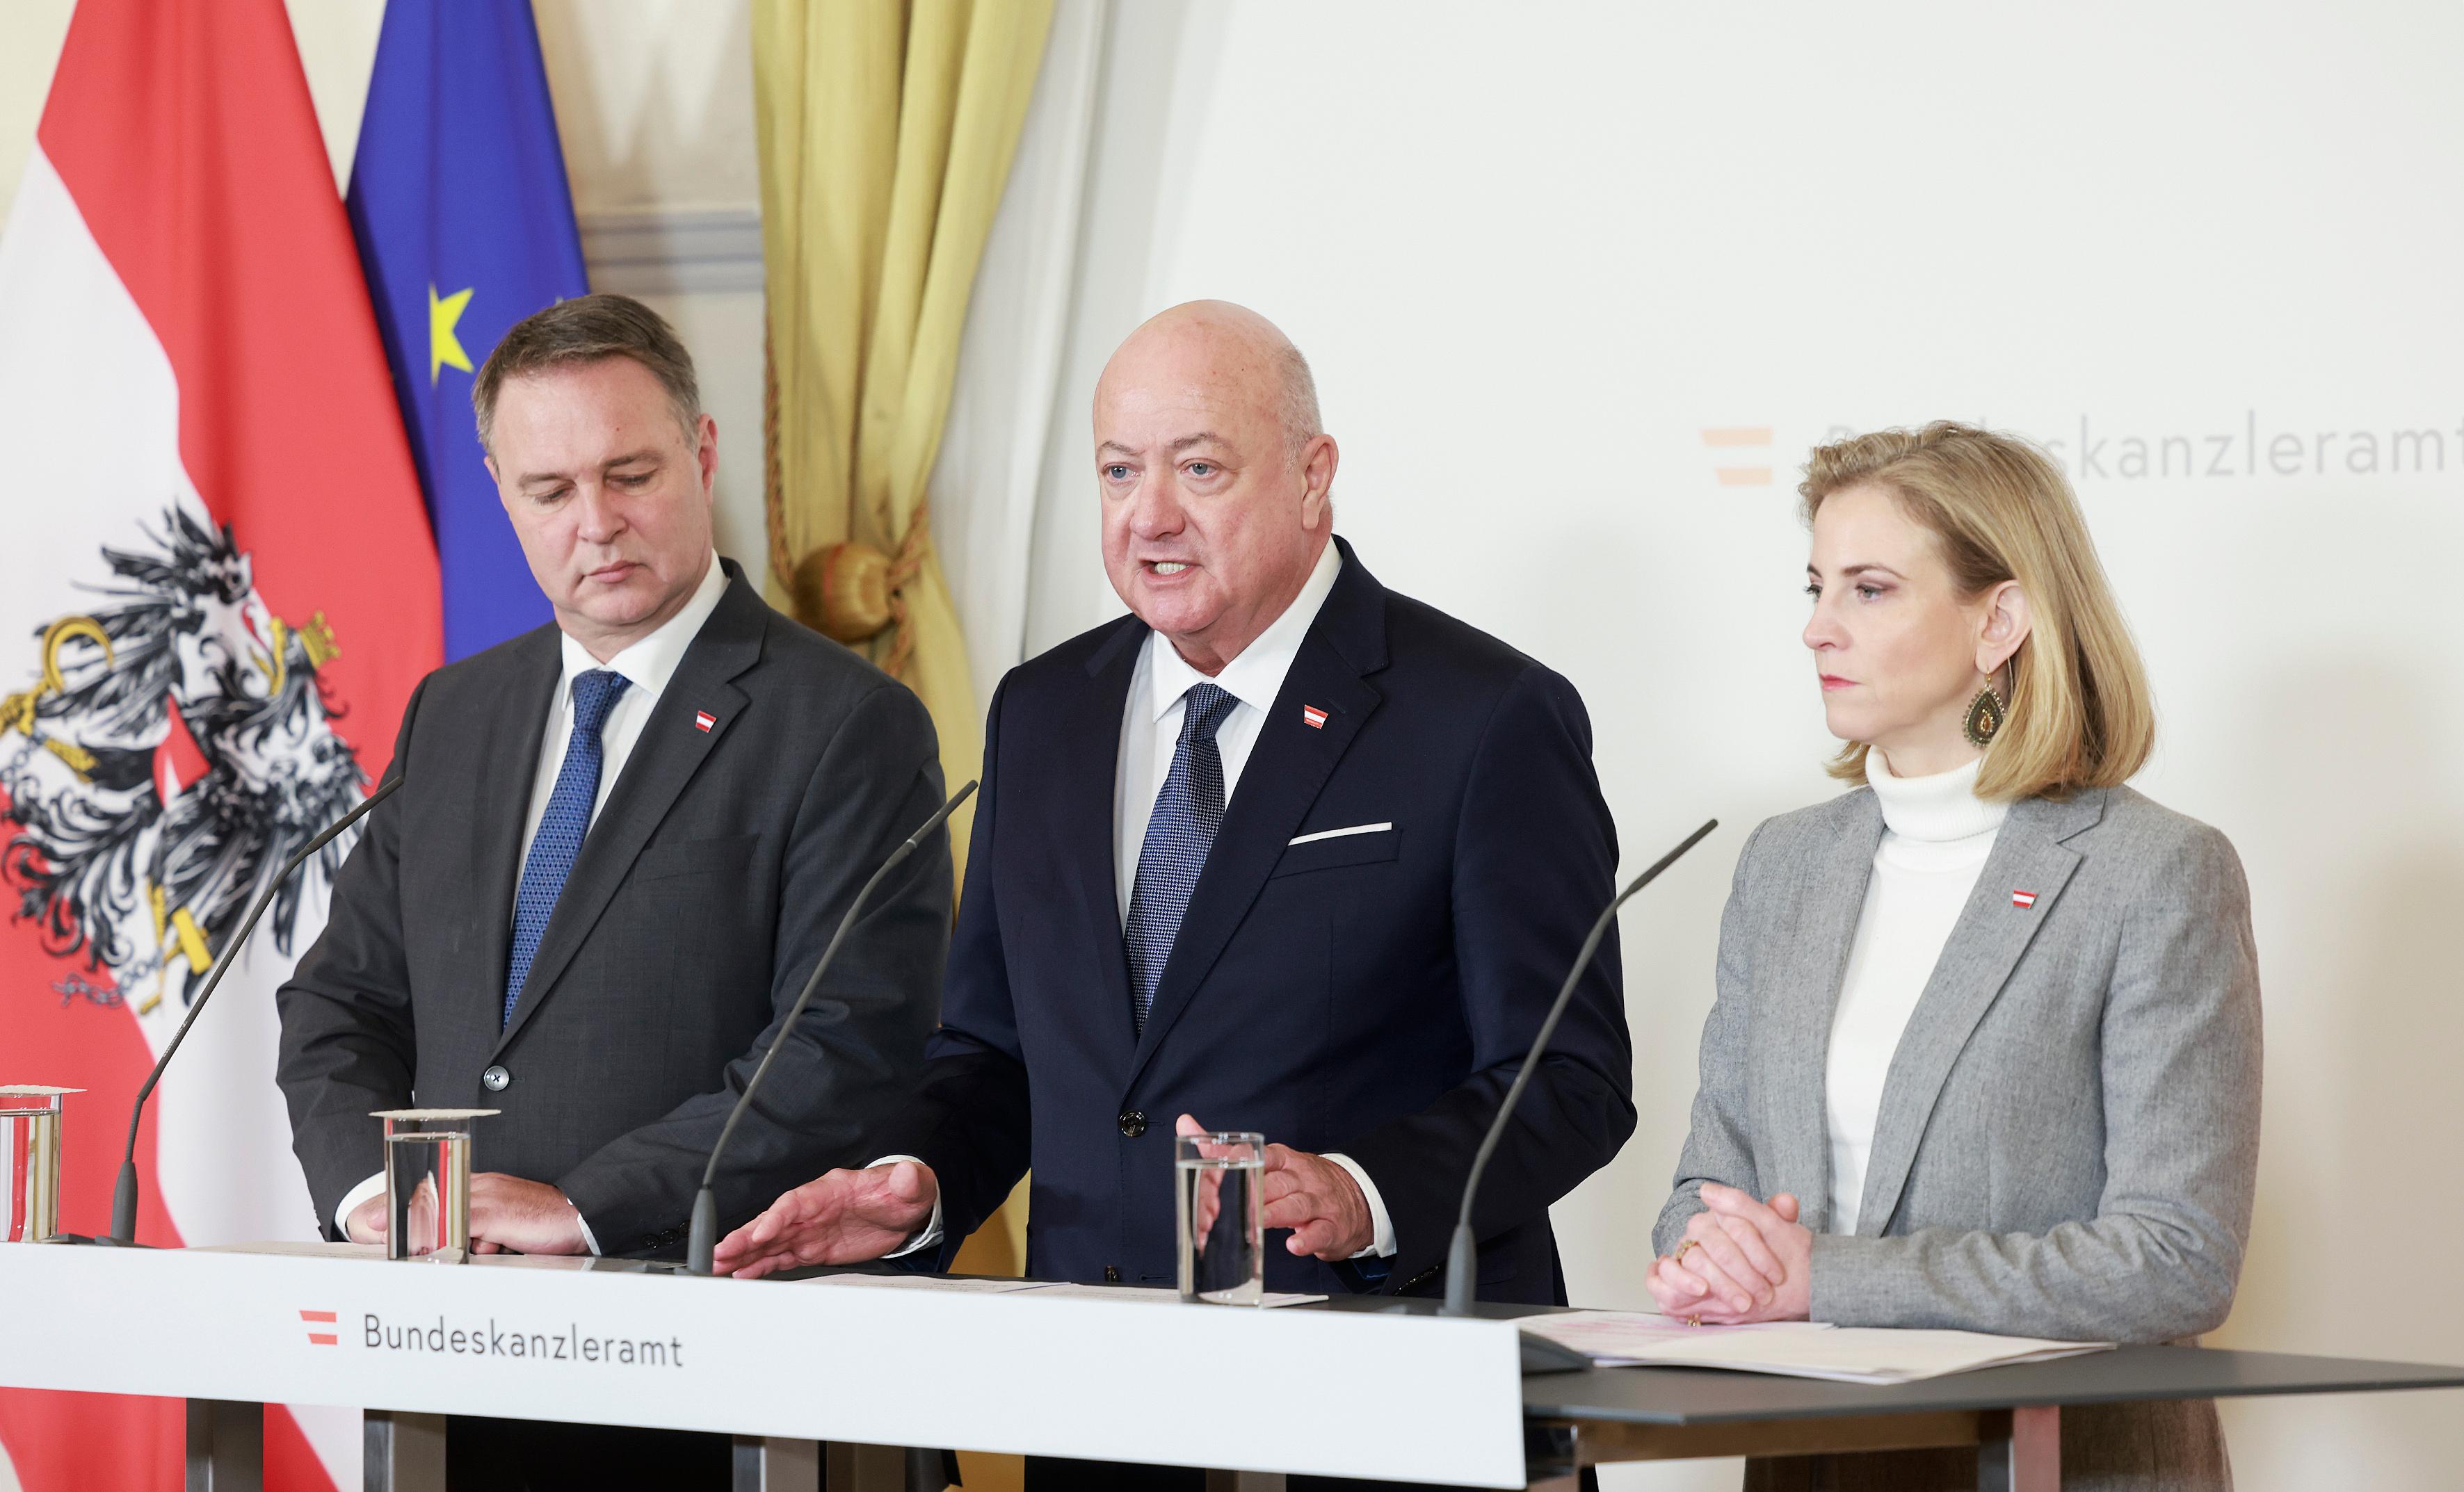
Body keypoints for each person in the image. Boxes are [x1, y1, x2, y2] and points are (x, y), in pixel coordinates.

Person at [716, 301, 1636, 1489]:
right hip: (1106, 1416)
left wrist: (1361, 1191)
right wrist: (917, 1181)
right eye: (1117, 471)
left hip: (1381, 1409)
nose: (1150, 516)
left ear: (1315, 477)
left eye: (1199, 468)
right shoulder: (1044, 713)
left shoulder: (1482, 714)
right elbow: (992, 1051)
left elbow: (1568, 1079)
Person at [275, 293, 951, 1489]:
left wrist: (583, 1204)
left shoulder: (846, 723)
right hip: (452, 1384)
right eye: (550, 490)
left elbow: (844, 1053)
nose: (597, 523)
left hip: (723, 1389)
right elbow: (342, 1006)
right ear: (498, 490)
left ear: (700, 452)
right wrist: (373, 1188)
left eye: (630, 472)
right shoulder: (455, 713)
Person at [1650, 423, 2261, 1491]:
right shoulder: (1786, 864)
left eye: (1870, 589)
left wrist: (1825, 1277)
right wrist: (1716, 1252)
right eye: (1815, 586)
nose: (1817, 629)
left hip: (2064, 1464)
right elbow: (1711, 1180)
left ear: (2001, 621)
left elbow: (2177, 1259)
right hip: (1817, 1460)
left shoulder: (2153, 873)